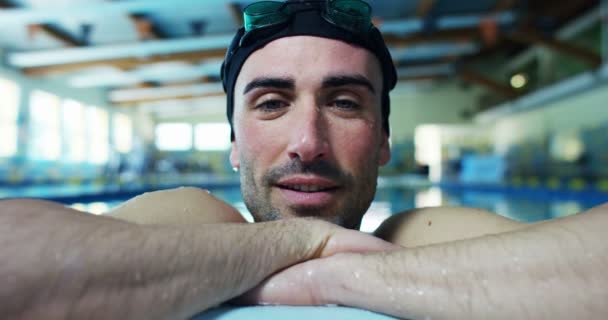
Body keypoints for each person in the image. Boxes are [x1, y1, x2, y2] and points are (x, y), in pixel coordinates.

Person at [0, 1, 606, 319]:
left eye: (344, 102)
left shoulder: (419, 232)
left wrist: (328, 273)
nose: (307, 142)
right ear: (233, 142)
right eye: (271, 103)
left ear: (385, 139)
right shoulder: (198, 219)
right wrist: (296, 243)